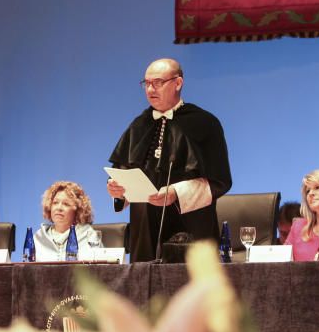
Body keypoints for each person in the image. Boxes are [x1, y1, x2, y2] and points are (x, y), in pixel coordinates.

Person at [107, 58, 232, 262]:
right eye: (146, 83)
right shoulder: (139, 125)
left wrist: (176, 192)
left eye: (157, 82)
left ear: (178, 83)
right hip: (144, 228)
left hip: (190, 225)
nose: (150, 89)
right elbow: (122, 169)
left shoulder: (205, 123)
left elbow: (219, 181)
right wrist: (117, 191)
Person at [33, 180, 96, 261]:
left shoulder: (88, 235)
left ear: (78, 210)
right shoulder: (39, 237)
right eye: (55, 203)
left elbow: (98, 268)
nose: (59, 208)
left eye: (66, 204)